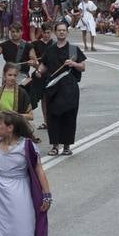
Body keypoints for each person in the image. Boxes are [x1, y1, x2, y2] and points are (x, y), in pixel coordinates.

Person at [35, 20, 86, 156]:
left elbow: (83, 67)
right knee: (53, 117)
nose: (61, 32)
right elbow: (44, 65)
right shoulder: (50, 50)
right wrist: (38, 71)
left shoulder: (73, 49)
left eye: (64, 30)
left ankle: (67, 146)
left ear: (67, 32)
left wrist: (74, 63)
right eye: (59, 30)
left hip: (69, 88)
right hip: (53, 88)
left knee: (69, 117)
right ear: (55, 32)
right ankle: (55, 146)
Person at [0, 64, 34, 144]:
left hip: (13, 132)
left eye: (15, 75)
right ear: (4, 75)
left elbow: (30, 116)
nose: (12, 78)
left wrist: (12, 115)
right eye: (10, 75)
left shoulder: (22, 93)